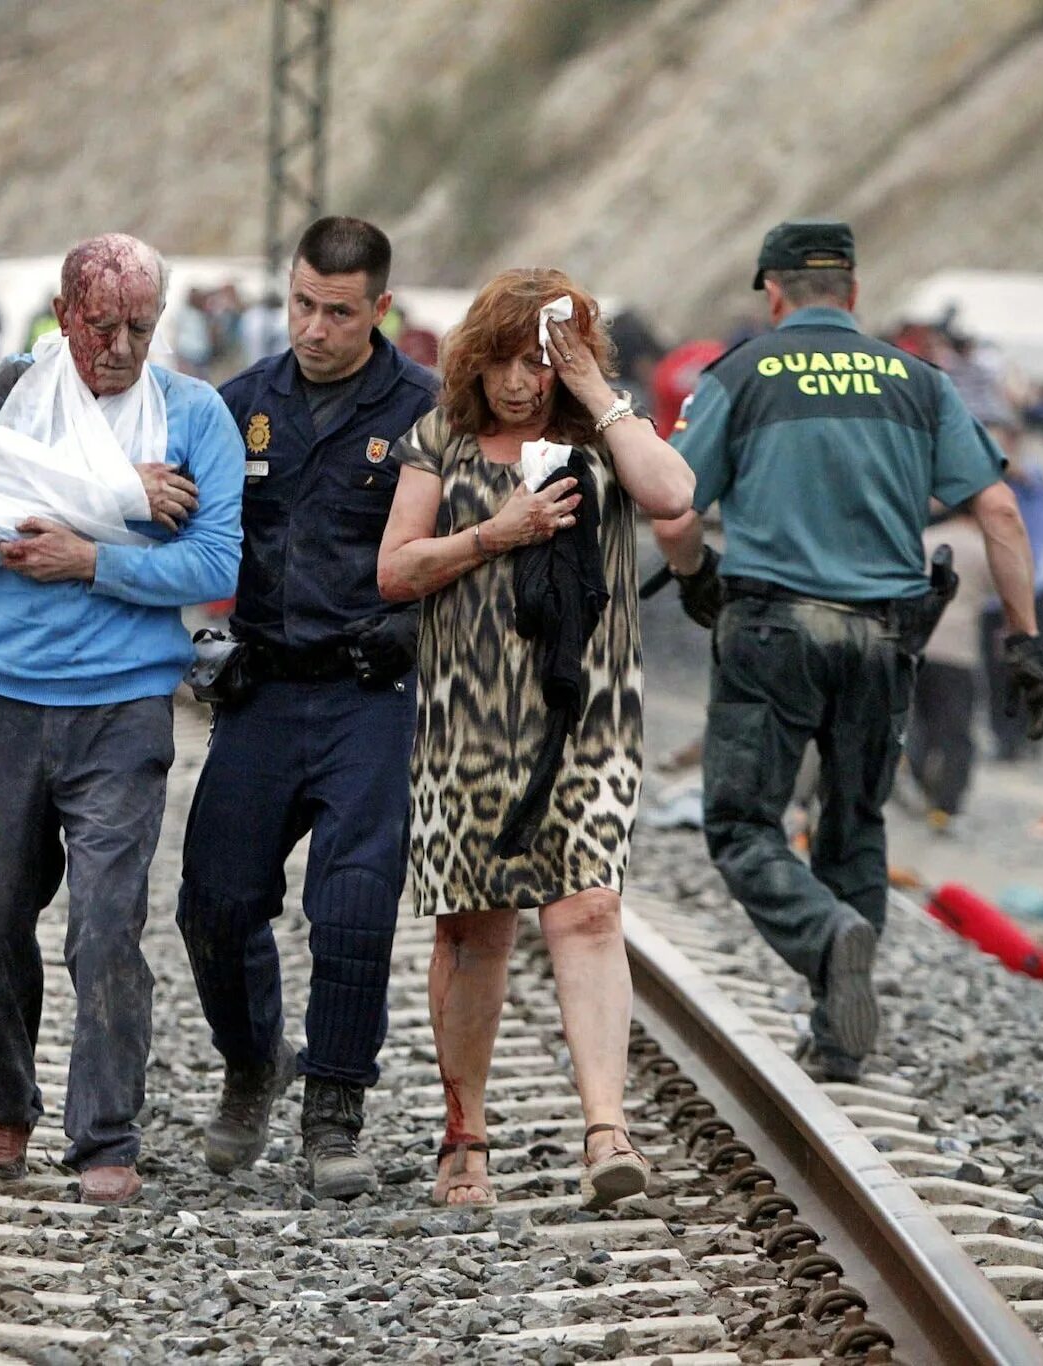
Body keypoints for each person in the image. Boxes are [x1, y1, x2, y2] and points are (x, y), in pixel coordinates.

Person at [652, 220, 1043, 1082]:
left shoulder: (742, 374)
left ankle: (825, 936)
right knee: (854, 822)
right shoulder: (921, 384)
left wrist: (694, 579)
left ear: (772, 292)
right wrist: (1024, 645)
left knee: (741, 822)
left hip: (773, 631)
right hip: (883, 638)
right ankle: (842, 1038)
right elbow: (1001, 514)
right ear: (854, 292)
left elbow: (675, 509)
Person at [378, 269, 695, 1209]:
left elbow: (674, 493)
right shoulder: (439, 438)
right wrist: (495, 533)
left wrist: (595, 386)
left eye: (539, 361)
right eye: (506, 360)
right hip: (467, 717)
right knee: (475, 929)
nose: (522, 381)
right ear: (476, 358)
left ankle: (607, 1133)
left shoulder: (603, 432)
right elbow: (395, 571)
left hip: (589, 715)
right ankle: (464, 1136)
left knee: (589, 911)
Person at [0, 233, 242, 1207]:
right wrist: (118, 500)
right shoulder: (10, 392)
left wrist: (91, 555)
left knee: (107, 925)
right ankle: (2, 1107)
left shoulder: (193, 415)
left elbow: (214, 567)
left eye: (140, 329)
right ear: (65, 315)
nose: (119, 347)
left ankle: (104, 1133)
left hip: (121, 706)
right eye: (102, 326)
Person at [175, 217, 439, 1199]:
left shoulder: (423, 411)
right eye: (299, 304)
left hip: (370, 692)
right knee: (212, 900)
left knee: (354, 903)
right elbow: (180, 524)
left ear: (377, 308)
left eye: (336, 310)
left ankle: (333, 1111)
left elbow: (464, 554)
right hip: (265, 687)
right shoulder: (238, 404)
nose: (313, 328)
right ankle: (253, 1063)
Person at [978, 409, 1043, 762]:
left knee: (1034, 659)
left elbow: (1019, 472)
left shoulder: (1032, 475)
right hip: (994, 592)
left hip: (1039, 586)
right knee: (996, 667)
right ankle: (1005, 737)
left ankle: (1032, 732)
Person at [908, 508, 995, 828]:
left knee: (919, 721)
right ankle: (946, 805)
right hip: (958, 652)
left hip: (919, 644)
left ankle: (915, 775)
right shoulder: (981, 549)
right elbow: (998, 590)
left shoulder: (926, 540)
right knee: (956, 733)